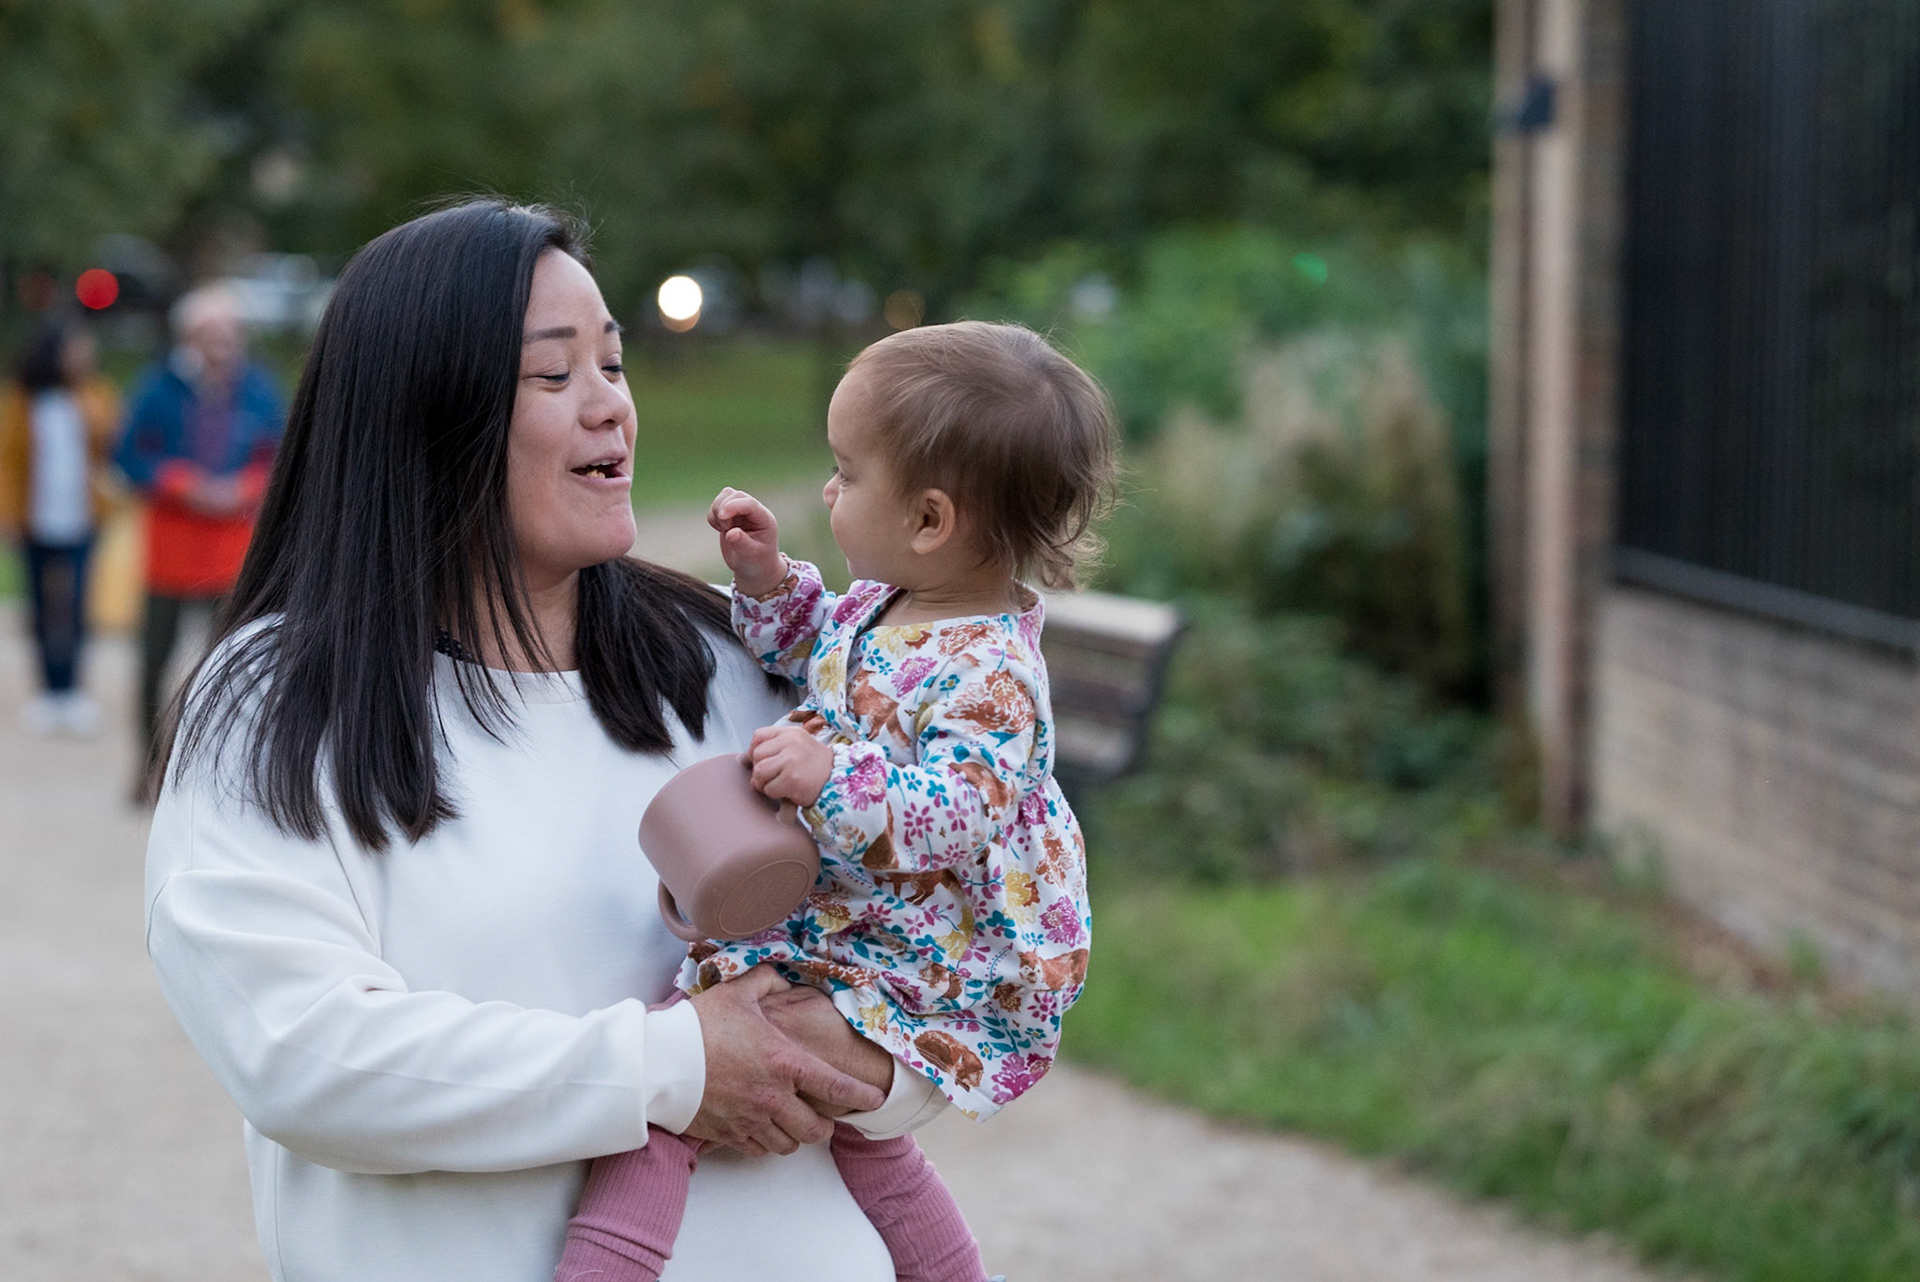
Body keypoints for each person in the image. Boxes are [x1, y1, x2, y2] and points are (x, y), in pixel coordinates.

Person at [143, 200, 913, 1282]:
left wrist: (871, 1064)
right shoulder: (282, 701)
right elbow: (304, 1055)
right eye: (555, 375)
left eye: (615, 364)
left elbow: (953, 932)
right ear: (425, 414)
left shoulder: (727, 658)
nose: (611, 406)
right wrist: (671, 1067)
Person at [556, 322, 1115, 1282]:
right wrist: (769, 582)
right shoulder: (889, 603)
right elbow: (818, 645)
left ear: (931, 519)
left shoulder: (989, 674)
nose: (827, 492)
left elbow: (957, 813)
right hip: (862, 933)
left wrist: (832, 779)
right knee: (863, 1139)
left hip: (924, 959)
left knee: (674, 1097)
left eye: (847, 475)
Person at [115, 285, 284, 772]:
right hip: (171, 545)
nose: (224, 343)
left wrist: (246, 487)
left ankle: (218, 763)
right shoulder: (158, 387)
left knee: (232, 658)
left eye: (231, 332)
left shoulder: (259, 388)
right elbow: (128, 454)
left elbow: (279, 454)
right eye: (212, 333)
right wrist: (182, 484)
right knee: (155, 657)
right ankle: (150, 761)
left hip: (233, 547)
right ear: (189, 337)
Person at [0, 319, 122, 736]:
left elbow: (113, 443)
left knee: (77, 605)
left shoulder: (95, 393)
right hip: (35, 518)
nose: (84, 357)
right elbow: (9, 461)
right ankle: (48, 690)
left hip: (82, 518)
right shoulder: (24, 399)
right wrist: (8, 515)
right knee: (39, 606)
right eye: (76, 349)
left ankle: (72, 689)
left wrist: (96, 415)